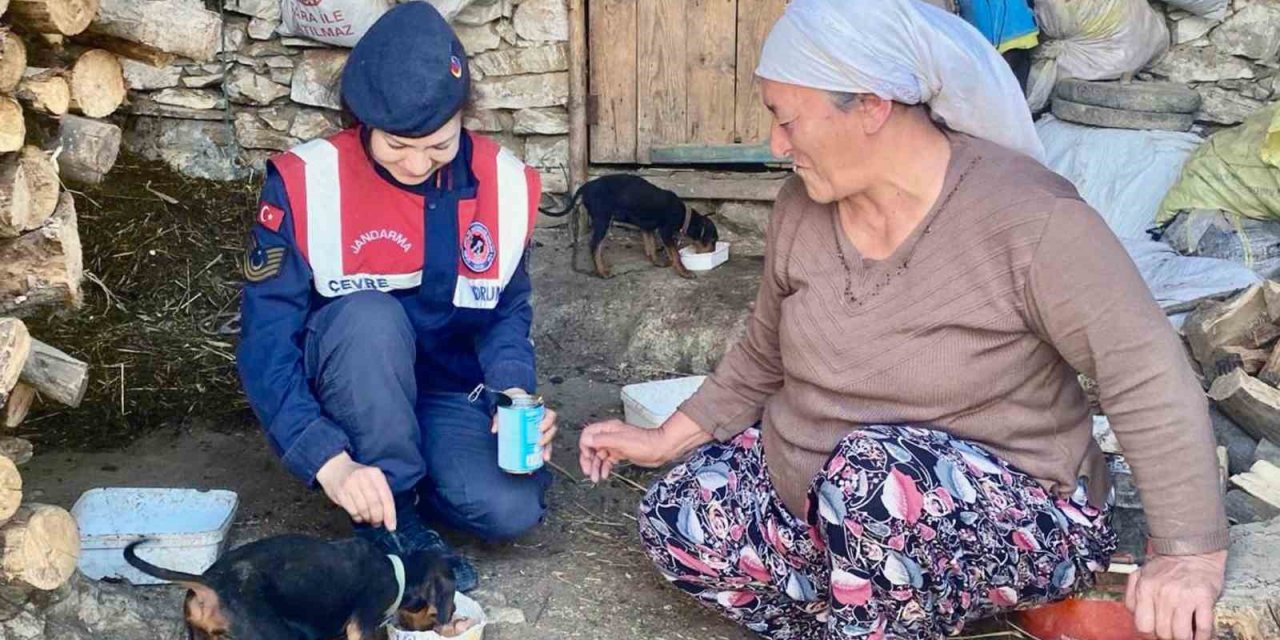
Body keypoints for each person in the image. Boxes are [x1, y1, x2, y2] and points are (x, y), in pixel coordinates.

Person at [578, 0, 1227, 638]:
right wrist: (668, 438)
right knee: (680, 510)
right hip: (823, 501)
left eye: (786, 119)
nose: (776, 144)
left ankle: (881, 603)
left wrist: (1188, 553)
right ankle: (875, 609)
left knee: (867, 478)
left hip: (1007, 510)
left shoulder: (1030, 219)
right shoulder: (801, 208)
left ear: (871, 107)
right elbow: (760, 354)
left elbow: (1144, 373)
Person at [236, 1, 557, 592]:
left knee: (510, 510)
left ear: (464, 115)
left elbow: (506, 312)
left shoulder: (504, 184)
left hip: (445, 389)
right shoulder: (306, 184)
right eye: (396, 145)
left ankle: (407, 471)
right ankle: (393, 512)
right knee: (370, 319)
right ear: (361, 121)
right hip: (351, 377)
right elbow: (265, 346)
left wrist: (513, 390)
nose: (416, 163)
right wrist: (327, 461)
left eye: (438, 145)